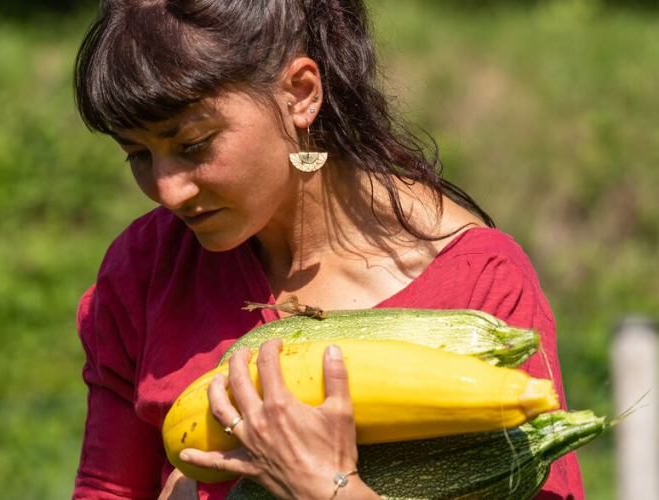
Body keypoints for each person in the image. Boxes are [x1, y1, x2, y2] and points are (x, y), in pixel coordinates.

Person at [71, 0, 585, 499]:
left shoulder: (478, 284)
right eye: (137, 154)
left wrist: (329, 490)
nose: (168, 191)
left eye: (193, 145)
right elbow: (107, 488)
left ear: (300, 93)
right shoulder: (147, 267)